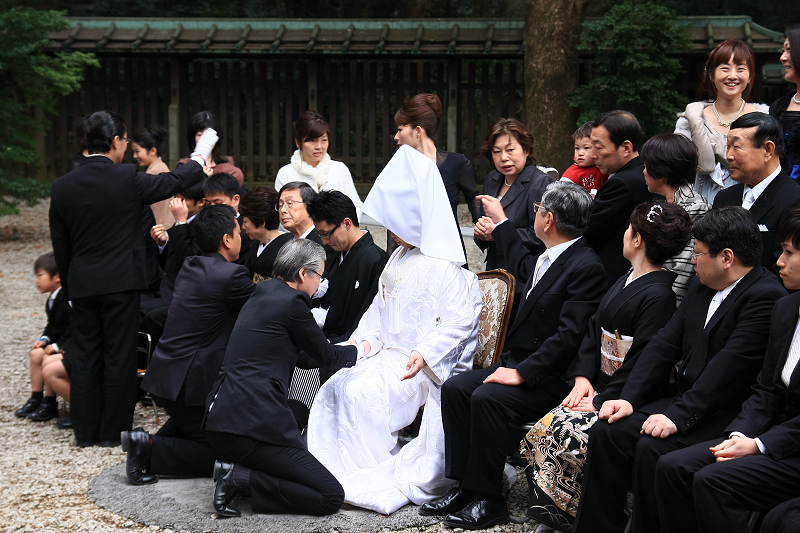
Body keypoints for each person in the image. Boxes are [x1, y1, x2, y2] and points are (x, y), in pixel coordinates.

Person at [572, 207, 787, 533]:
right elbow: (663, 345)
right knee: (609, 431)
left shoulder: (765, 296)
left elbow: (728, 369)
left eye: (698, 253)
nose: (690, 261)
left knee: (652, 446)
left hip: (725, 411)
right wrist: (628, 397)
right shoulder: (703, 287)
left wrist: (675, 417)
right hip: (685, 399)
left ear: (726, 258)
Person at [307, 144, 483, 515]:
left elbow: (460, 323)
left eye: (397, 224)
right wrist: (359, 345)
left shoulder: (449, 268)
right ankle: (342, 468)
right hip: (387, 353)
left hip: (418, 365)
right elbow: (376, 315)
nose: (391, 232)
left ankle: (366, 469)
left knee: (361, 393)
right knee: (338, 383)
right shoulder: (398, 259)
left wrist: (426, 352)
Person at [421, 181, 607, 530]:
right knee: (457, 388)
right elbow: (522, 265)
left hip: (552, 378)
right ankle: (464, 486)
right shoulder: (548, 254)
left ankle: (489, 499)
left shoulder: (586, 266)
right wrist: (501, 225)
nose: (535, 213)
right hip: (520, 364)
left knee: (489, 397)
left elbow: (569, 336)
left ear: (547, 219)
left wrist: (522, 373)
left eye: (538, 208)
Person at [521, 202, 691, 532]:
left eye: (629, 230)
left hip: (623, 393)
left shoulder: (659, 295)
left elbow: (644, 359)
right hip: (598, 382)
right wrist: (583, 377)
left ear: (638, 240)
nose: (624, 235)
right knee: (548, 426)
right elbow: (593, 327)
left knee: (569, 433)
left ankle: (567, 515)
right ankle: (556, 511)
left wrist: (602, 398)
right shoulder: (626, 278)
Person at [48, 110, 215, 447]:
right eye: (124, 140)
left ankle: (85, 431)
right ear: (114, 142)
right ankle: (112, 433)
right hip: (121, 281)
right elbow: (173, 182)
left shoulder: (62, 186)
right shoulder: (126, 177)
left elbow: (60, 244)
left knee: (84, 354)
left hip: (81, 282)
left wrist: (69, 285)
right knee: (119, 354)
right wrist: (201, 152)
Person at [655, 207, 800, 532]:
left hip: (789, 447)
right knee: (672, 466)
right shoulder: (787, 308)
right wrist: (741, 434)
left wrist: (760, 444)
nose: (778, 261)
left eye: (789, 253)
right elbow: (767, 390)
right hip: (769, 433)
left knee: (712, 481)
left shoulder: (768, 299)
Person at [205, 239, 365, 517]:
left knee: (299, 410)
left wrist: (329, 348)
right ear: (304, 274)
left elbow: (302, 356)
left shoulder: (261, 294)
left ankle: (236, 469)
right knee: (329, 495)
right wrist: (360, 349)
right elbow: (326, 356)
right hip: (249, 424)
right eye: (320, 276)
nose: (321, 283)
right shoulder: (293, 303)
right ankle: (238, 478)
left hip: (219, 415)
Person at [122, 205, 255, 485]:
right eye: (238, 232)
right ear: (227, 240)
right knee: (224, 454)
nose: (242, 236)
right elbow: (260, 306)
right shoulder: (231, 276)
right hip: (190, 382)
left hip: (167, 375)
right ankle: (148, 447)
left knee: (194, 428)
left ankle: (142, 444)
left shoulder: (193, 264)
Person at [306, 190, 388, 381]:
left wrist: (339, 344)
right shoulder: (333, 252)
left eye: (326, 234)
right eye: (320, 235)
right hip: (324, 338)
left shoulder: (374, 259)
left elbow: (369, 316)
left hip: (350, 345)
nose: (325, 241)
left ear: (347, 223)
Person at [675, 39, 769, 203]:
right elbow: (677, 167)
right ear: (711, 74)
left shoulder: (764, 117)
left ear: (750, 77)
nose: (732, 76)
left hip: (748, 204)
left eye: (740, 69)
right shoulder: (691, 117)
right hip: (697, 206)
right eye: (724, 68)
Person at [391, 93, 480, 262]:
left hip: (449, 257)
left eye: (400, 129)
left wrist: (484, 224)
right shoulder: (399, 168)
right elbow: (395, 222)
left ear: (417, 131)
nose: (396, 137)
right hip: (411, 259)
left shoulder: (457, 163)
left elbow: (475, 200)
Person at [713, 113, 800, 273]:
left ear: (768, 150)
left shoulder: (794, 200)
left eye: (737, 147)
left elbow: (784, 270)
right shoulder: (724, 197)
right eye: (728, 147)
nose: (729, 156)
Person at [473, 117, 549, 288]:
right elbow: (486, 224)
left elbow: (541, 234)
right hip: (494, 273)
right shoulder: (493, 179)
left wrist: (498, 232)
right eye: (497, 151)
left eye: (510, 150)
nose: (504, 158)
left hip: (522, 275)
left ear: (526, 150)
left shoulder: (539, 183)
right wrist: (482, 231)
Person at [585, 110, 656, 285]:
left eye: (599, 147)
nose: (593, 154)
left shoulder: (623, 183)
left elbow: (589, 232)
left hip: (609, 278)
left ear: (626, 147)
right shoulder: (641, 173)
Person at [640, 134, 711, 301]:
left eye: (646, 165)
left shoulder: (695, 208)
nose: (643, 171)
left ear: (661, 174)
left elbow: (681, 272)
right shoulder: (661, 204)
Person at [15, 252, 72, 422]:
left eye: (40, 275)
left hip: (67, 345)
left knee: (45, 356)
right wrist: (45, 339)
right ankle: (37, 397)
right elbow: (51, 326)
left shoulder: (66, 298)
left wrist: (56, 346)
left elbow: (73, 327)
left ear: (57, 277)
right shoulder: (52, 298)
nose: (36, 281)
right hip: (56, 344)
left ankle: (49, 402)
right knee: (36, 353)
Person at [275, 110, 363, 218]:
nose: (319, 146)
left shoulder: (340, 169)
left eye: (324, 140)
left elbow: (356, 206)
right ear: (298, 142)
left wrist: (341, 227)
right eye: (312, 140)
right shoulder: (286, 173)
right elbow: (282, 214)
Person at [238, 185, 293, 279]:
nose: (243, 227)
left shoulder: (290, 246)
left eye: (245, 222)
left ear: (262, 222)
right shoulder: (255, 245)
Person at [202, 172, 253, 265]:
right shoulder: (203, 224)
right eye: (208, 204)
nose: (213, 208)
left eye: (218, 203)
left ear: (236, 200)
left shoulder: (248, 231)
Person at [770, 24, 800, 182]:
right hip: (781, 198)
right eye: (783, 50)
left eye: (789, 49)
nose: (783, 57)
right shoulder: (779, 106)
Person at [183, 111, 244, 185]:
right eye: (200, 135)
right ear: (192, 137)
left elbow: (241, 193)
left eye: (209, 136)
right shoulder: (185, 165)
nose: (205, 140)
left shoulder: (229, 163)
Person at [132, 124, 174, 229]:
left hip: (161, 228)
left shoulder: (156, 171)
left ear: (152, 151)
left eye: (137, 151)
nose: (134, 156)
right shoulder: (157, 168)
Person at [561, 122, 609, 194]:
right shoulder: (572, 175)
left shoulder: (606, 168)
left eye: (586, 148)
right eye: (577, 148)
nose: (580, 153)